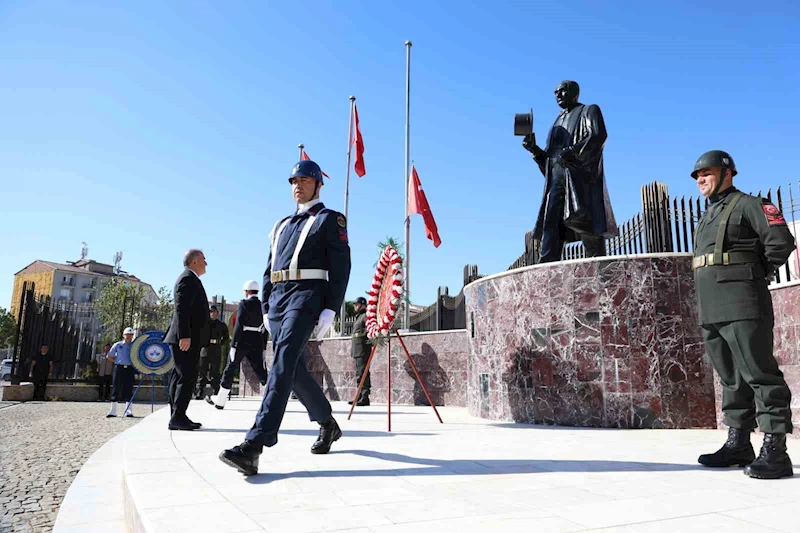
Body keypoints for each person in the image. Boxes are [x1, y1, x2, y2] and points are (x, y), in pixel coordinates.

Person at [219, 159, 351, 475]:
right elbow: (268, 268)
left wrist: (331, 308)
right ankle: (327, 423)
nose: (298, 185)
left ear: (318, 184)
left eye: (305, 180)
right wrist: (265, 307)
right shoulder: (280, 225)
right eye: (294, 180)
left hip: (308, 295)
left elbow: (341, 267)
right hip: (278, 300)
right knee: (289, 367)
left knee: (282, 362)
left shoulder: (330, 220)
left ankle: (254, 445)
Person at [690, 150, 795, 480]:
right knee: (731, 377)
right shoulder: (707, 216)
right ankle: (738, 443)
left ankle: (776, 450)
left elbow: (780, 242)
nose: (700, 180)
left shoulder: (750, 205)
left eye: (706, 173)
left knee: (759, 372)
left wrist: (755, 274)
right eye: (697, 176)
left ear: (727, 173)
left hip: (743, 301)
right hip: (712, 305)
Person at [522, 80, 618, 262]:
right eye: (555, 92)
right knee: (551, 226)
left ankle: (599, 268)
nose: (557, 95)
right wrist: (534, 150)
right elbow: (552, 162)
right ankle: (546, 270)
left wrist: (573, 152)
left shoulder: (588, 110)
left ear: (574, 92)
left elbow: (598, 136)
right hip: (556, 183)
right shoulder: (557, 121)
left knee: (588, 227)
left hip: (579, 179)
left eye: (562, 91)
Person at [163, 249, 211, 431]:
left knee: (180, 376)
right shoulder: (187, 279)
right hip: (185, 338)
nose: (206, 263)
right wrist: (184, 335)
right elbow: (182, 310)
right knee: (187, 376)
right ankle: (178, 417)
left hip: (188, 337)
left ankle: (177, 415)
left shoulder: (190, 279)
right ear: (194, 261)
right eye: (203, 259)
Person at [207, 281, 269, 409]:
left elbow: (239, 325)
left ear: (246, 291)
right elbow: (265, 327)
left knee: (230, 368)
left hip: (243, 339)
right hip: (257, 339)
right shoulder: (263, 305)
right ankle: (273, 397)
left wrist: (234, 345)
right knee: (260, 370)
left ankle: (221, 399)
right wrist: (263, 347)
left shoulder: (244, 304)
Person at [195, 305, 230, 400]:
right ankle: (199, 393)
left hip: (216, 349)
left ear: (217, 313)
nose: (212, 313)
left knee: (215, 372)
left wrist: (220, 343)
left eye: (214, 312)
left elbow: (226, 338)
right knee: (202, 372)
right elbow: (198, 335)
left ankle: (216, 392)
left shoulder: (222, 325)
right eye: (211, 312)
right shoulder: (204, 324)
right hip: (205, 349)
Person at [106, 328, 137, 418]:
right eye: (127, 334)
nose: (129, 336)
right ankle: (113, 411)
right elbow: (109, 356)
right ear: (123, 335)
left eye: (131, 335)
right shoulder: (118, 345)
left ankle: (129, 411)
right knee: (116, 387)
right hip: (119, 368)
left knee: (129, 388)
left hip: (130, 368)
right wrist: (117, 361)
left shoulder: (134, 345)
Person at [349, 296, 371, 406]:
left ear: (362, 304)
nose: (355, 306)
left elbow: (369, 330)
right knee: (359, 374)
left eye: (356, 304)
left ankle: (365, 397)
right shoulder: (359, 317)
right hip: (357, 349)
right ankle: (359, 396)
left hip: (363, 349)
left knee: (363, 373)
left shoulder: (365, 316)